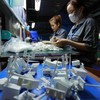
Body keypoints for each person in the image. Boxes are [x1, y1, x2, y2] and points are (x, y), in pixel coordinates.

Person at [53, 0, 99, 67]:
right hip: (71, 61)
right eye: (68, 13)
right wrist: (61, 42)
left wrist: (68, 42)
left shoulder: (89, 22)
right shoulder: (74, 26)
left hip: (83, 63)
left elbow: (90, 46)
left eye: (71, 12)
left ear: (81, 9)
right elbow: (69, 43)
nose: (70, 15)